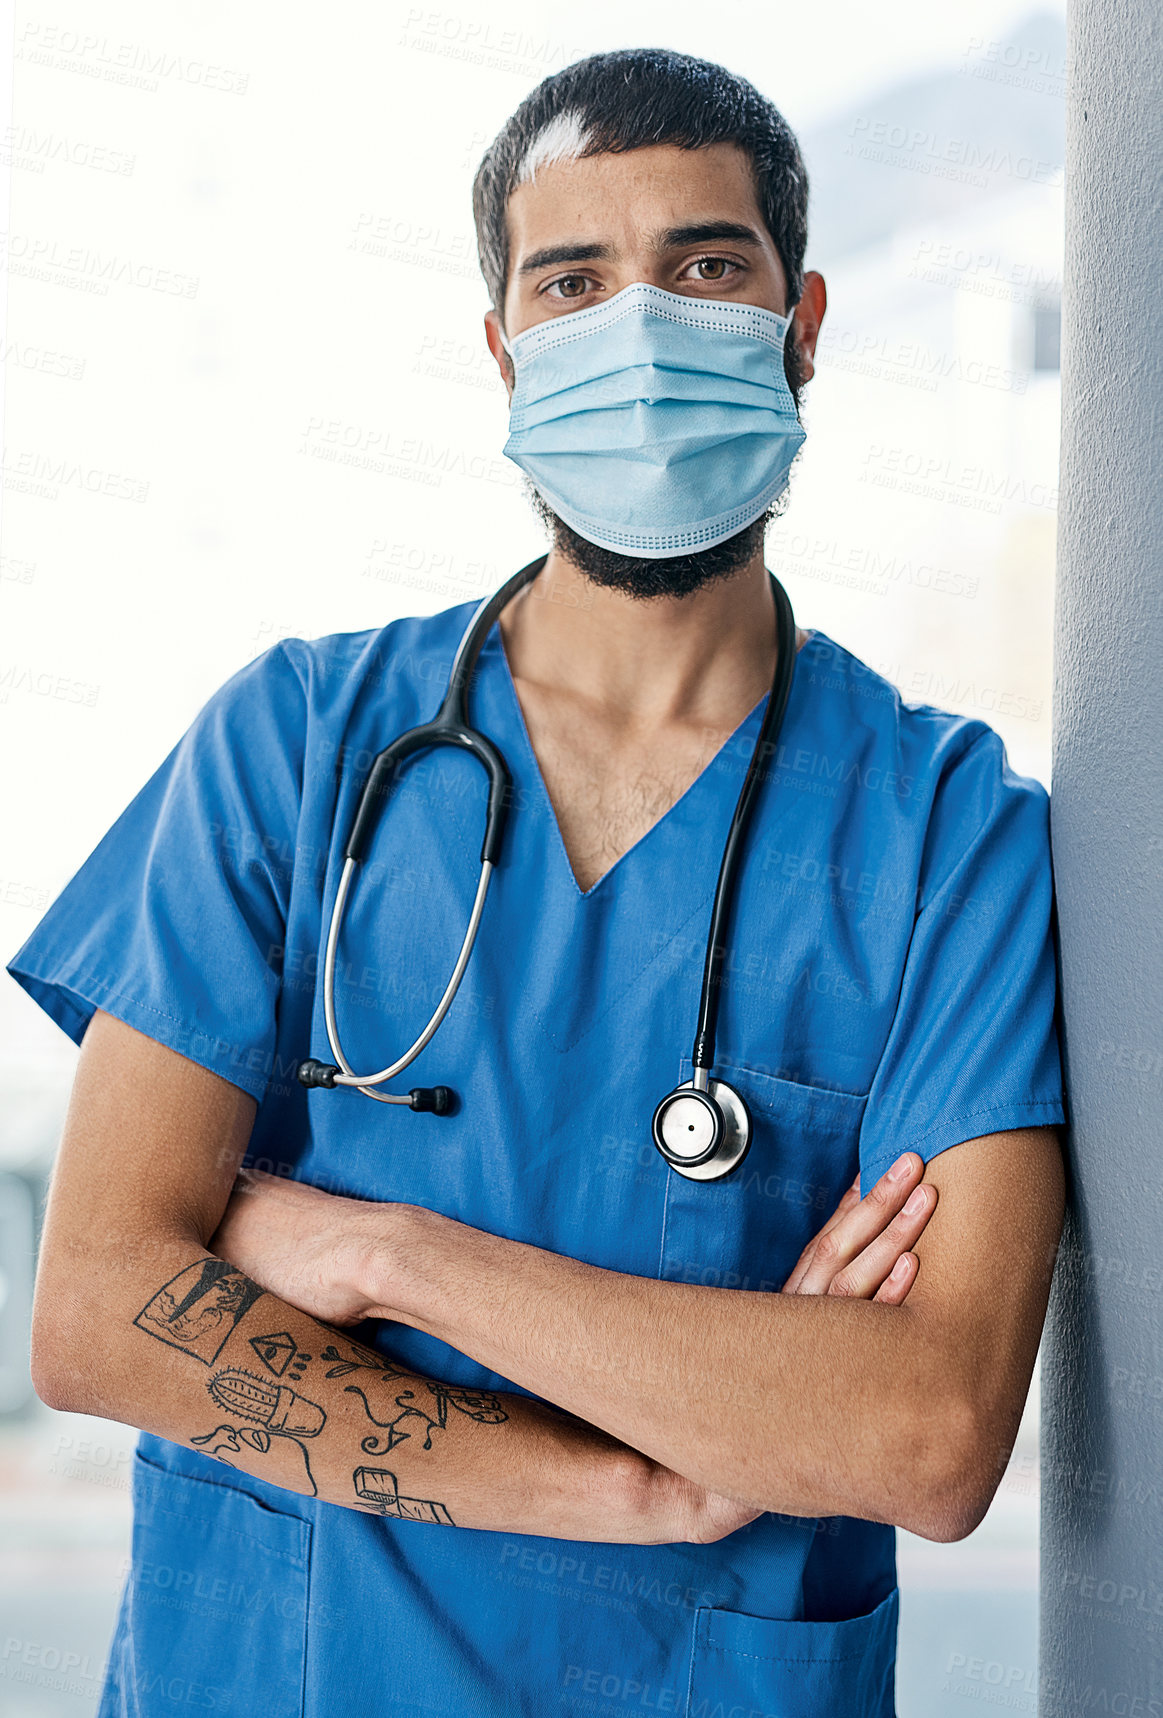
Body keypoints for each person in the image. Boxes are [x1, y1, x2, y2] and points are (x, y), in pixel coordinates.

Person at [7, 47, 1065, 1718]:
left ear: (802, 326)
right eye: (573, 283)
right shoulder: (298, 745)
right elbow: (97, 1312)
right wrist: (641, 1480)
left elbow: (926, 1433)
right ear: (505, 353)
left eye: (705, 267)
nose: (638, 333)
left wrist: (383, 1252)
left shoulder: (955, 832)